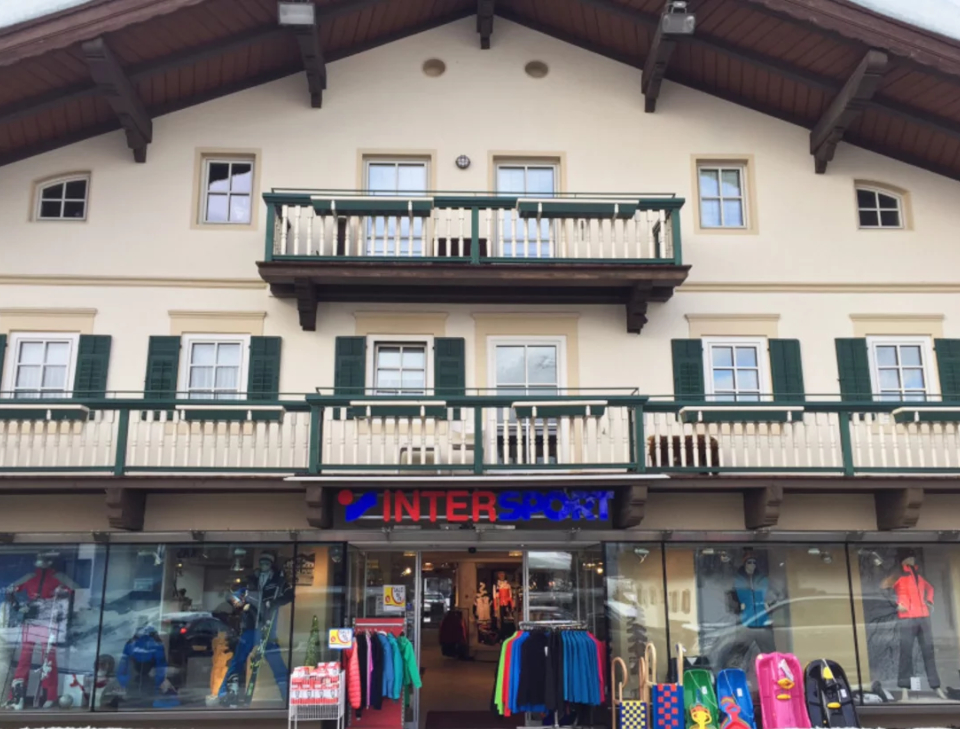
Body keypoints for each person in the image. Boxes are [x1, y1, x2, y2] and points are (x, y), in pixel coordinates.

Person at [217, 551, 292, 706]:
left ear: (271, 564)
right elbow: (231, 597)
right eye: (262, 562)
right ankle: (224, 692)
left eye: (267, 562)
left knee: (276, 663)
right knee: (238, 660)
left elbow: (290, 595)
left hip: (268, 626)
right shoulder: (250, 582)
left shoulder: (279, 582)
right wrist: (241, 604)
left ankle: (288, 696)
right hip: (250, 626)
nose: (264, 565)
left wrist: (275, 602)